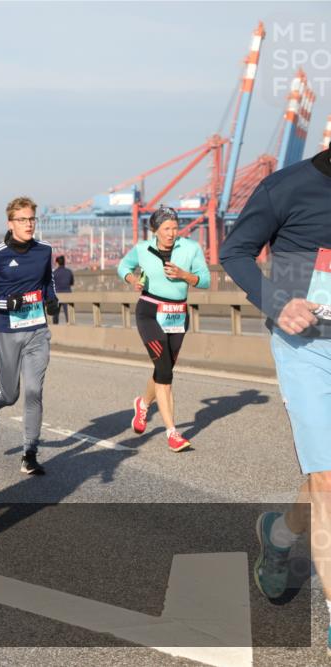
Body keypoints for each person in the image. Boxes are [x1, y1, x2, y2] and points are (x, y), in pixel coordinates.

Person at [219, 147, 331, 650]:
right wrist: (276, 302)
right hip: (305, 347)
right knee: (328, 478)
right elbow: (234, 250)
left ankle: (281, 537)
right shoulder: (286, 186)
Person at [0, 196, 57, 475]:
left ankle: (29, 453)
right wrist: (6, 304)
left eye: (32, 219)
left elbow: (47, 282)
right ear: (11, 223)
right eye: (23, 219)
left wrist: (52, 299)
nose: (29, 224)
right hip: (6, 331)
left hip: (37, 331)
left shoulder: (44, 250)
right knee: (10, 394)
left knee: (34, 391)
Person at [117, 206, 210, 453]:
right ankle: (173, 433)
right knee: (165, 373)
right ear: (155, 230)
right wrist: (132, 280)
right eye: (166, 228)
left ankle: (143, 403)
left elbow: (206, 280)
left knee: (163, 368)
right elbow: (123, 267)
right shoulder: (142, 249)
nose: (171, 233)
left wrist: (184, 275)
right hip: (150, 312)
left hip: (178, 314)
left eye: (175, 228)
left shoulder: (190, 248)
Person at [51, 255, 74, 324]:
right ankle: (70, 326)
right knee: (68, 314)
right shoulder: (69, 272)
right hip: (67, 294)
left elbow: (51, 284)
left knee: (55, 314)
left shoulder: (54, 273)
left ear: (57, 263)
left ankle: (55, 328)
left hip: (57, 295)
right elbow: (71, 283)